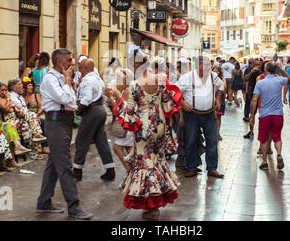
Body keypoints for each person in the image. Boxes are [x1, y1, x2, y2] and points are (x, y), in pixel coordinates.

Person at [105, 49, 181, 220]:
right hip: (160, 125)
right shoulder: (160, 80)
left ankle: (151, 205)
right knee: (156, 160)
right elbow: (168, 103)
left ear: (137, 65)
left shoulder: (135, 84)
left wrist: (117, 97)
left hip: (144, 127)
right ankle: (157, 201)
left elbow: (128, 111)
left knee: (145, 163)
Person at [36, 48, 92, 220]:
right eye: (69, 60)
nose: (72, 63)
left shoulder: (62, 79)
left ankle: (44, 202)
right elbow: (63, 99)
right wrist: (68, 83)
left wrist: (70, 85)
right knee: (65, 165)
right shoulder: (50, 79)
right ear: (60, 62)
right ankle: (74, 206)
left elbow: (71, 102)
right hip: (55, 123)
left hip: (65, 122)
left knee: (54, 163)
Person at [176, 55, 225, 178]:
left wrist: (218, 100)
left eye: (209, 65)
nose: (209, 67)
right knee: (191, 141)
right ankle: (191, 167)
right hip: (192, 114)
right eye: (206, 65)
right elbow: (174, 92)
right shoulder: (187, 78)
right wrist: (182, 103)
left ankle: (212, 168)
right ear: (198, 65)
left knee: (212, 141)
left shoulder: (213, 76)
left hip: (209, 114)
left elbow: (221, 87)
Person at [73, 58, 115, 181]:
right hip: (100, 109)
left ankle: (77, 171)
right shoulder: (97, 78)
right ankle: (110, 169)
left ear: (86, 68)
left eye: (80, 68)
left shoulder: (88, 80)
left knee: (81, 140)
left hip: (92, 111)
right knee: (101, 140)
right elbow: (103, 95)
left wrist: (77, 110)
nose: (79, 70)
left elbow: (86, 98)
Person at [249, 62, 290, 170]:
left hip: (265, 115)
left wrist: (252, 115)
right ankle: (279, 154)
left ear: (265, 70)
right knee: (277, 136)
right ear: (274, 70)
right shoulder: (279, 80)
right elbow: (288, 78)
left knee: (264, 139)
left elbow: (254, 99)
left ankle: (264, 162)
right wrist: (280, 68)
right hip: (278, 114)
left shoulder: (260, 83)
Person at [8, 77, 46, 159]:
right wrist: (33, 117)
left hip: (24, 117)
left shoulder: (20, 96)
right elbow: (17, 110)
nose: (22, 86)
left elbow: (25, 109)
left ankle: (35, 151)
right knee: (32, 118)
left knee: (31, 124)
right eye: (20, 84)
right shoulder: (10, 96)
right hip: (16, 118)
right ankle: (35, 146)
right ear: (14, 87)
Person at [243, 58, 263, 123]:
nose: (257, 66)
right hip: (252, 91)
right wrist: (252, 72)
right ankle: (250, 129)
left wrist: (260, 72)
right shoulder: (249, 69)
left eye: (259, 64)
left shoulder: (265, 71)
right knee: (252, 111)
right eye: (256, 64)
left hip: (263, 93)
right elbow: (245, 79)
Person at [212, 65, 226, 141]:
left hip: (221, 99)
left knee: (218, 117)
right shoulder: (209, 79)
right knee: (212, 117)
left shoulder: (222, 79)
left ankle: (217, 133)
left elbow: (224, 89)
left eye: (217, 71)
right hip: (211, 100)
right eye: (214, 71)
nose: (216, 72)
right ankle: (213, 133)